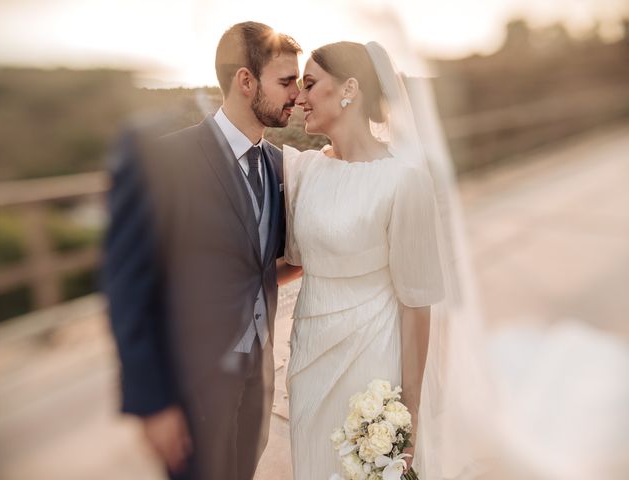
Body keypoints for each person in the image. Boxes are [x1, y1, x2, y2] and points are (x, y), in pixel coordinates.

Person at [103, 21, 302, 480]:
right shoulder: (169, 161)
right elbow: (130, 289)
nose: (296, 93)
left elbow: (262, 266)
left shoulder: (277, 165)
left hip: (257, 383)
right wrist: (152, 403)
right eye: (286, 81)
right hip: (192, 388)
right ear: (245, 81)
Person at [283, 41, 487, 479]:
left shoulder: (403, 181)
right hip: (308, 363)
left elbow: (417, 306)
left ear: (349, 89)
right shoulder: (305, 172)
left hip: (372, 367)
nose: (299, 97)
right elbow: (294, 261)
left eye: (310, 84)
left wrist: (406, 419)